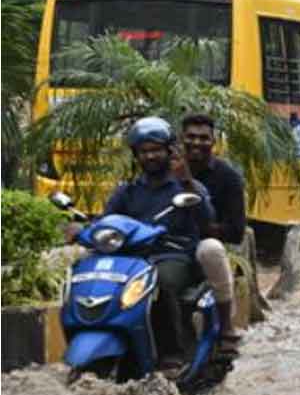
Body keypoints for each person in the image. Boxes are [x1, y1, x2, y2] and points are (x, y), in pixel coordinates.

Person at [68, 118, 216, 367]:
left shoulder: (187, 186)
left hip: (172, 256)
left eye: (156, 150)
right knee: (85, 276)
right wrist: (82, 230)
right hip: (129, 260)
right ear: (136, 155)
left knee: (162, 283)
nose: (150, 156)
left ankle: (172, 354)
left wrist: (187, 181)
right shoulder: (127, 191)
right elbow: (107, 222)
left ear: (170, 151)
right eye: (144, 151)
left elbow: (207, 220)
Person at [181, 114, 245, 349]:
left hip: (202, 246)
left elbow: (236, 231)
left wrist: (202, 228)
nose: (196, 143)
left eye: (203, 138)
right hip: (165, 245)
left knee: (212, 250)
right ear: (181, 139)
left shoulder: (228, 177)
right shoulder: (163, 171)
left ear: (213, 142)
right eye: (191, 137)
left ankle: (226, 323)